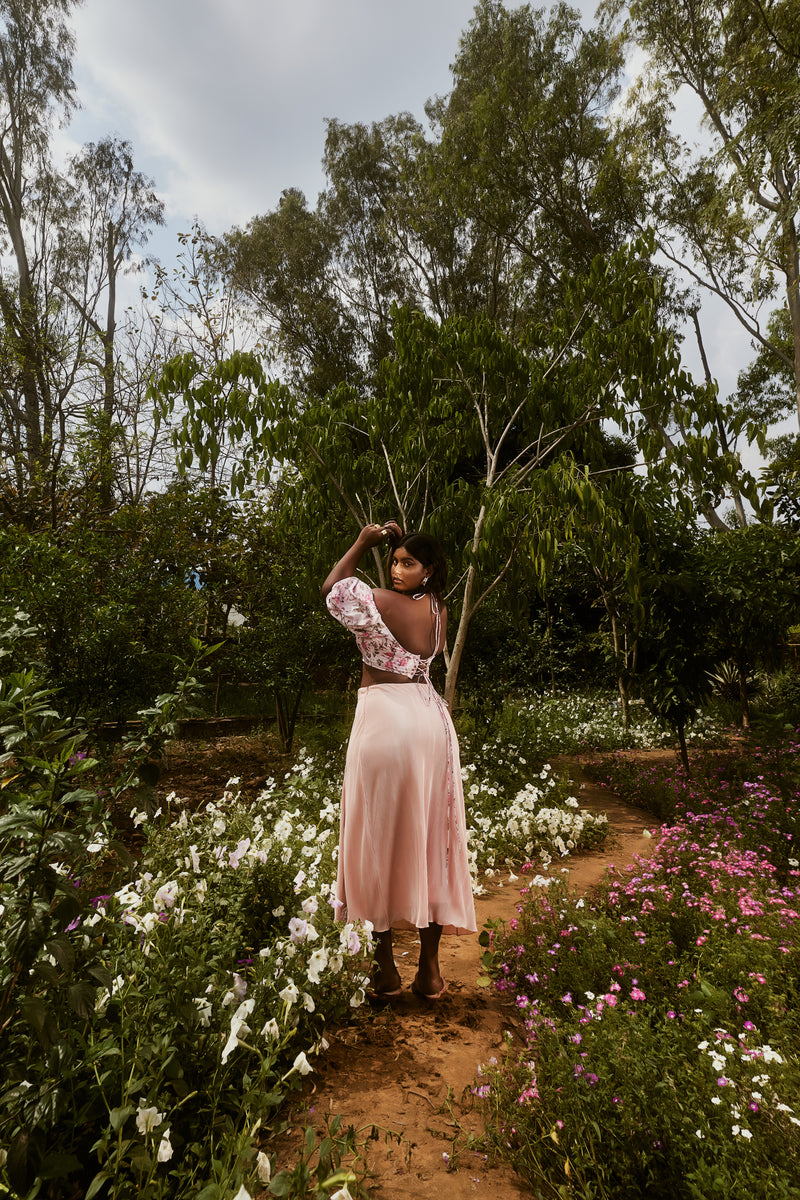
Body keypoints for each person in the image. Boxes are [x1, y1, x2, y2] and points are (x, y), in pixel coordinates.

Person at [322, 521, 476, 1001]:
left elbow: (332, 590)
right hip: (430, 722)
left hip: (385, 719)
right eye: (393, 561)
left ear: (429, 570)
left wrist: (363, 542)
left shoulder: (381, 603)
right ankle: (429, 973)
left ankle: (386, 969)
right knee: (432, 838)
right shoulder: (439, 610)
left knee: (374, 839)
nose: (396, 570)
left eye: (408, 562)